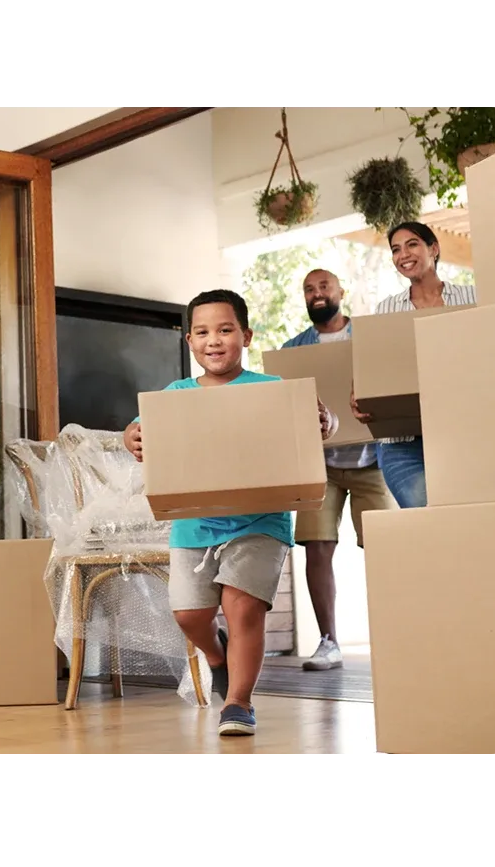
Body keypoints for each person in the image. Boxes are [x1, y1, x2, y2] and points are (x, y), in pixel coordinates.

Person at [123, 288, 339, 737]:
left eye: (225, 330)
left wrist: (326, 423)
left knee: (243, 610)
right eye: (202, 333)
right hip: (194, 521)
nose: (214, 341)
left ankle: (238, 703)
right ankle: (218, 656)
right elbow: (142, 428)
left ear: (246, 334)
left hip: (260, 519)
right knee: (189, 615)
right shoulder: (175, 394)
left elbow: (319, 422)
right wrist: (131, 436)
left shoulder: (270, 389)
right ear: (189, 342)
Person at [280, 269, 398, 671]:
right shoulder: (293, 349)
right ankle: (328, 641)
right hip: (322, 465)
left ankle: (394, 636)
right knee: (318, 547)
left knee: (385, 549)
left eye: (323, 286)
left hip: (372, 459)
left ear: (340, 292)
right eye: (309, 289)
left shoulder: (367, 339)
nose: (316, 294)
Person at [350, 221, 477, 508]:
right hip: (402, 442)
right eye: (395, 249)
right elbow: (375, 364)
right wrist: (360, 391)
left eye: (412, 244)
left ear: (434, 248)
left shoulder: (473, 298)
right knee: (427, 515)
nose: (403, 254)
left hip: (462, 432)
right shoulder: (386, 309)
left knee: (466, 513)